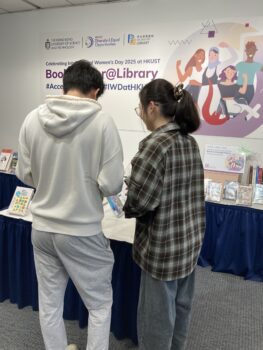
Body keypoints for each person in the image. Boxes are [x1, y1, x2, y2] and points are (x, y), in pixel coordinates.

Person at [16, 60, 124, 350]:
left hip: (42, 227)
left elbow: (25, 174)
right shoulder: (102, 122)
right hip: (81, 229)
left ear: (65, 85)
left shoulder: (32, 118)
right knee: (100, 305)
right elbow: (113, 184)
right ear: (95, 91)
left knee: (49, 302)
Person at [123, 79, 205, 350]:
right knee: (181, 312)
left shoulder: (155, 144)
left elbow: (139, 203)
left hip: (162, 249)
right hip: (189, 243)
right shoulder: (189, 141)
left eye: (140, 109)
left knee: (156, 322)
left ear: (152, 107)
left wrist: (128, 190)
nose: (141, 115)